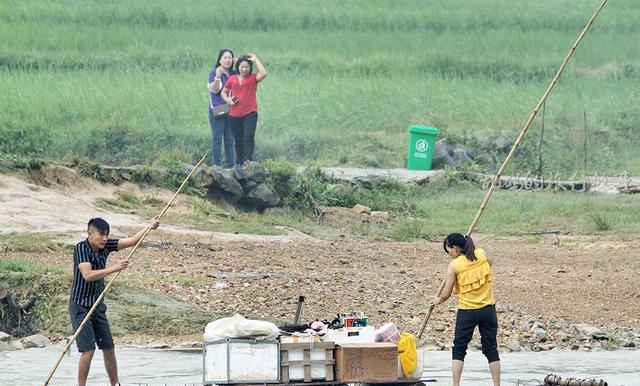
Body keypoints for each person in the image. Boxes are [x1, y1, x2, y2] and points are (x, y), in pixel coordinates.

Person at [69, 217, 160, 386]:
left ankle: (115, 384)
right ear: (90, 234)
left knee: (108, 347)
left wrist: (149, 227)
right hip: (80, 306)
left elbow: (132, 241)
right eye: (101, 235)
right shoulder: (81, 248)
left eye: (106, 235)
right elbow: (87, 275)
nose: (104, 238)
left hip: (97, 305)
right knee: (88, 350)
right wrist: (115, 268)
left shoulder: (106, 246)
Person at [429, 233, 500, 386]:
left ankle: (456, 385)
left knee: (459, 349)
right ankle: (497, 385)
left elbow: (447, 293)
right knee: (491, 349)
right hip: (488, 310)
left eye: (449, 251)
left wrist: (438, 300)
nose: (449, 255)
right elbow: (489, 263)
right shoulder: (480, 253)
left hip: (467, 312)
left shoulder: (455, 265)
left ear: (455, 248)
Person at [221, 53, 268, 165]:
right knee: (238, 140)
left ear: (250, 68)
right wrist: (228, 100)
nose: (244, 69)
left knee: (249, 136)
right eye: (242, 66)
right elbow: (224, 92)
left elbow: (264, 73)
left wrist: (255, 59)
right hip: (234, 114)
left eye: (247, 67)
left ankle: (248, 160)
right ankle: (239, 162)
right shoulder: (232, 79)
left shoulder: (253, 78)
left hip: (250, 113)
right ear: (238, 67)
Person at [208, 48, 236, 168]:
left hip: (231, 111)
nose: (227, 60)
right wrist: (218, 77)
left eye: (230, 58)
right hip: (218, 110)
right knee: (217, 139)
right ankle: (217, 165)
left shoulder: (235, 74)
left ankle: (231, 165)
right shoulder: (214, 73)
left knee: (230, 140)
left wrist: (242, 60)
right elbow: (214, 90)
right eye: (225, 57)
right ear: (220, 60)